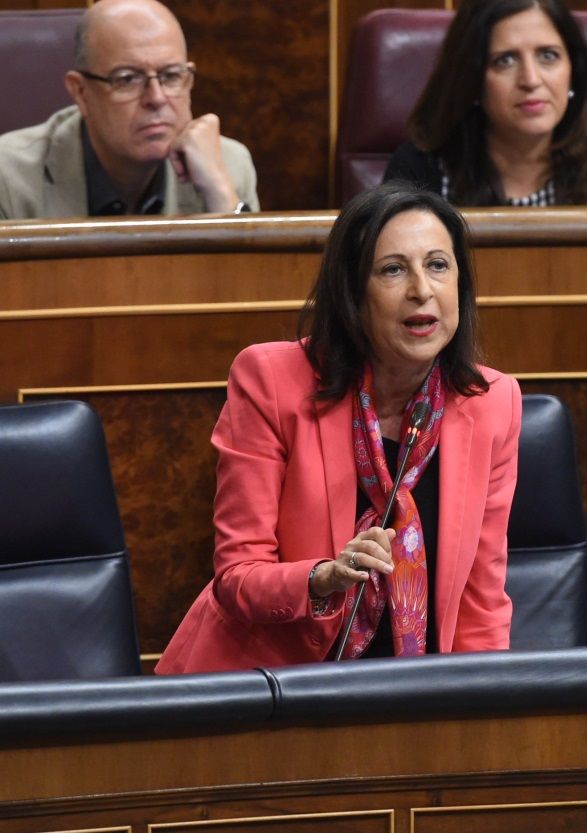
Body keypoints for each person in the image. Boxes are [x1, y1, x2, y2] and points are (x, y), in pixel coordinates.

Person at [156, 183, 519, 673]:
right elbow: (238, 577)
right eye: (393, 269)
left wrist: (483, 717)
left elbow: (481, 599)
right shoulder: (271, 381)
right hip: (268, 689)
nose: (421, 290)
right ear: (353, 293)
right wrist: (324, 578)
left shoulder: (492, 402)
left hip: (413, 695)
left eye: (438, 265)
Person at [0, 0, 258, 220]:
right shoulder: (9, 179)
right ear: (80, 92)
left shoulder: (227, 167)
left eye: (170, 76)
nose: (156, 98)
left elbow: (253, 279)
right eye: (127, 79)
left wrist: (223, 199)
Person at [384, 0, 587, 206]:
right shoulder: (421, 170)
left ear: (573, 73)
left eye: (548, 55)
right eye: (506, 60)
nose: (531, 80)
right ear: (472, 80)